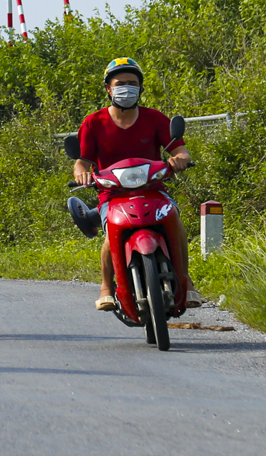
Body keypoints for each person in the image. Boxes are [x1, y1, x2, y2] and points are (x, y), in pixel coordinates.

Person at [74, 57, 193, 313]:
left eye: (132, 83)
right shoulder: (93, 122)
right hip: (112, 194)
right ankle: (106, 289)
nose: (126, 88)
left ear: (140, 88)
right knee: (110, 236)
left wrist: (180, 160)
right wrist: (82, 174)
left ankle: (187, 281)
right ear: (108, 88)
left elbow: (180, 150)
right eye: (120, 84)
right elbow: (82, 162)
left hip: (153, 189)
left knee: (176, 222)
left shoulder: (155, 119)